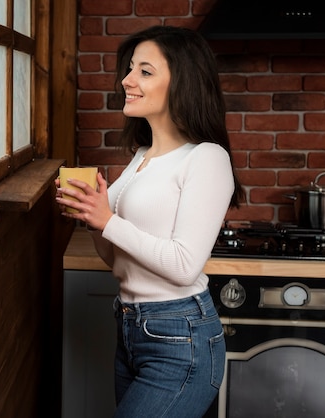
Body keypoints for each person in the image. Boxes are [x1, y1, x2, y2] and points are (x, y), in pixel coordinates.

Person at [56, 25, 243, 417]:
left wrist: (108, 219)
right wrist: (93, 218)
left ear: (183, 83)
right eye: (129, 68)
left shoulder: (206, 158)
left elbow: (183, 265)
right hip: (130, 328)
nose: (127, 80)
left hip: (180, 337)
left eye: (144, 71)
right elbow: (116, 261)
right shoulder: (141, 156)